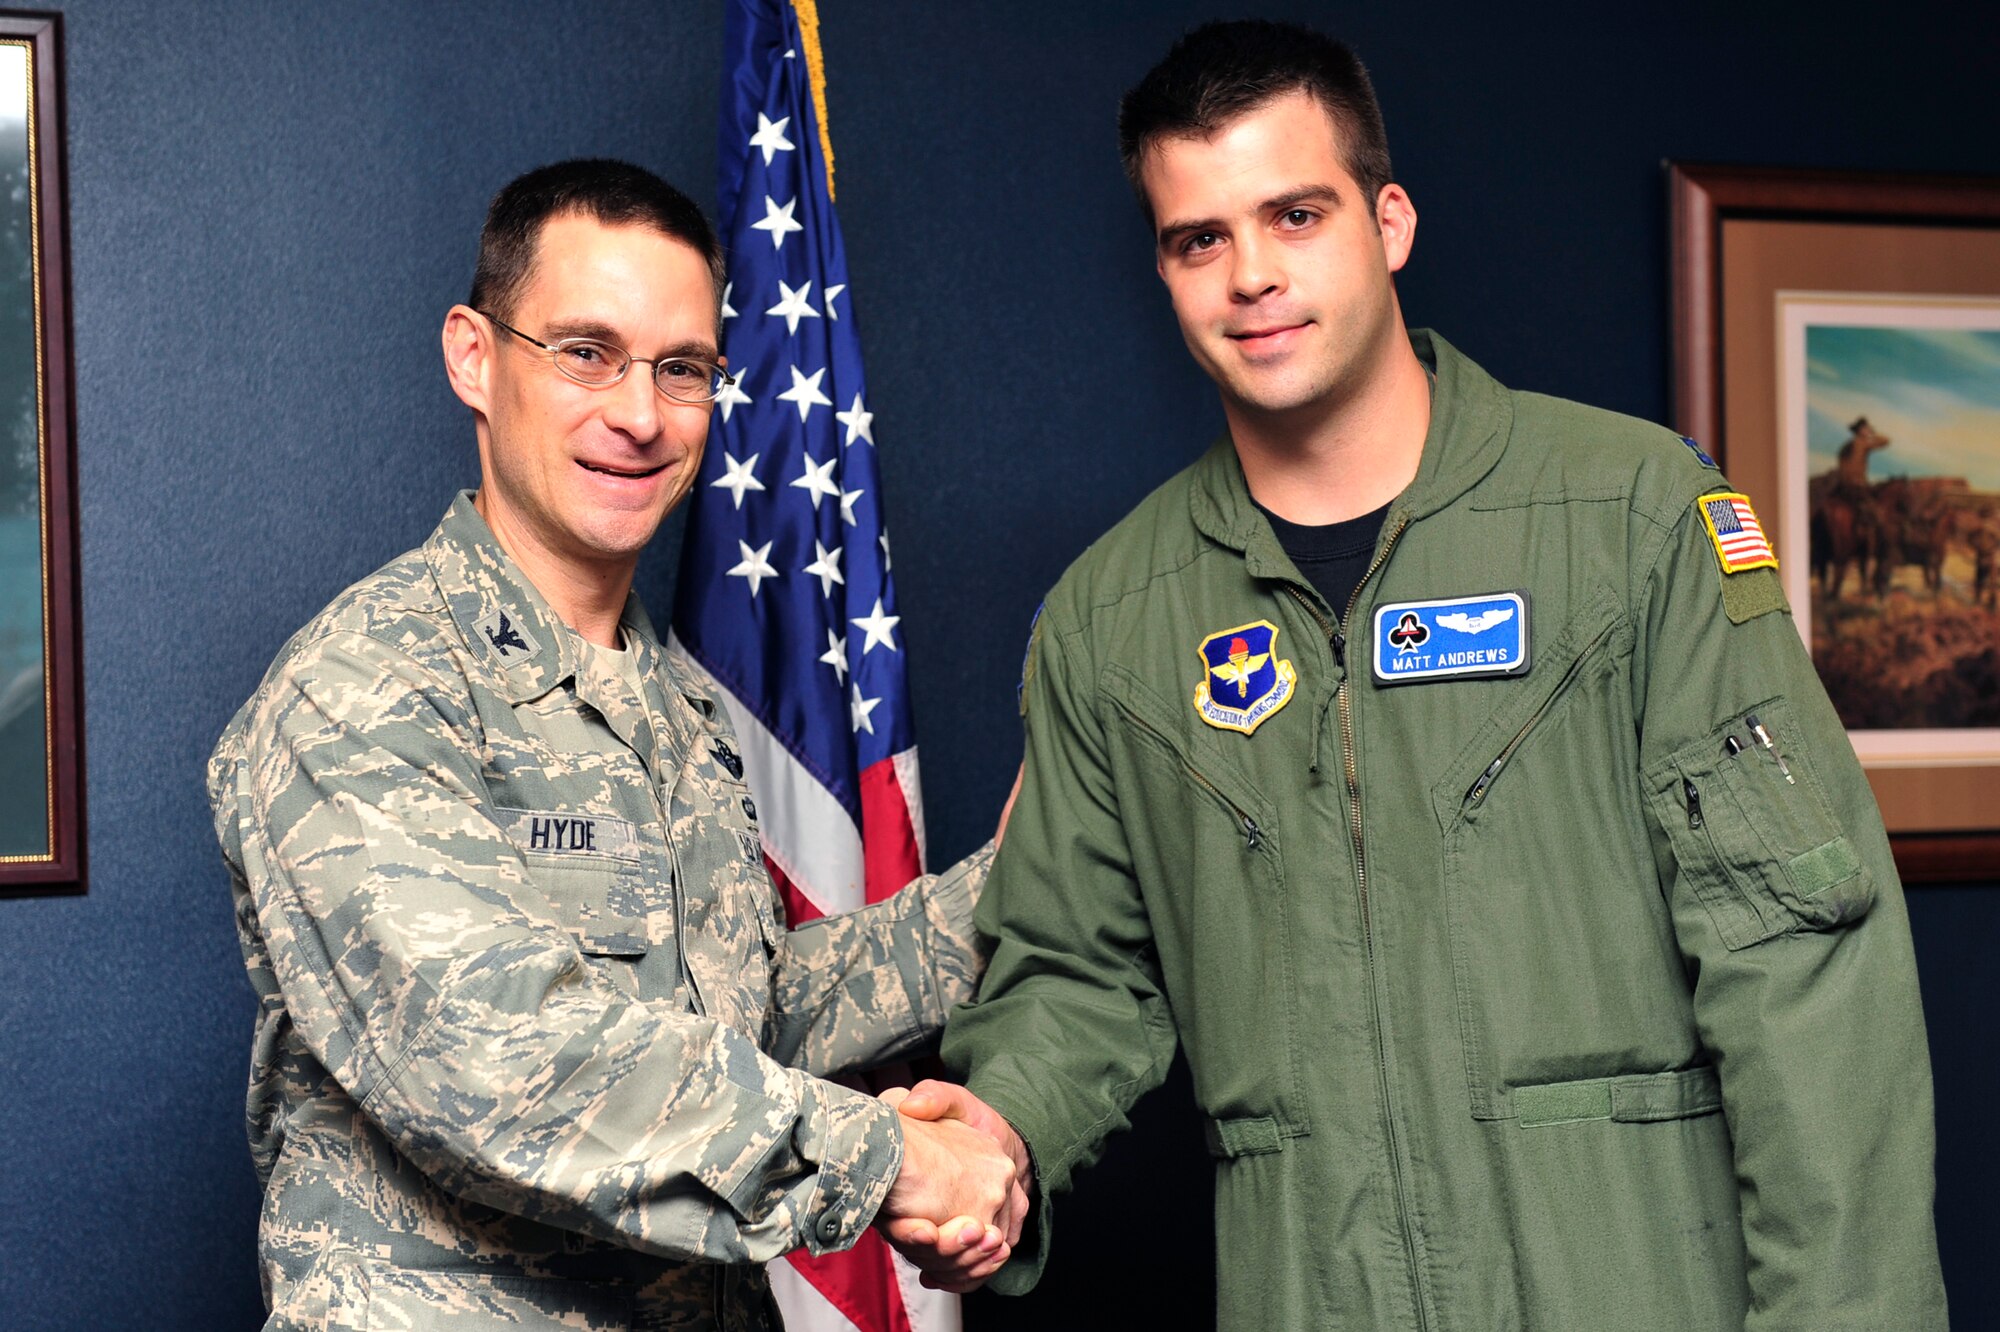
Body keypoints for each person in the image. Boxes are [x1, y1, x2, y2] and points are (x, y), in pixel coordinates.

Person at [896, 20, 1949, 1329]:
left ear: (1388, 222)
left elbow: (1804, 984)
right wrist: (999, 1139)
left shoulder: (1628, 517)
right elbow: (1077, 980)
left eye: (1295, 214)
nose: (1252, 277)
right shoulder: (1116, 619)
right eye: (1199, 239)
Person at [207, 159, 1019, 1331]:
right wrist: (887, 1156)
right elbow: (496, 1057)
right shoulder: (364, 686)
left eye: (681, 370)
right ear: (474, 358)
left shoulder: (674, 711)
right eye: (584, 352)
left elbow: (739, 1020)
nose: (639, 416)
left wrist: (1024, 879)